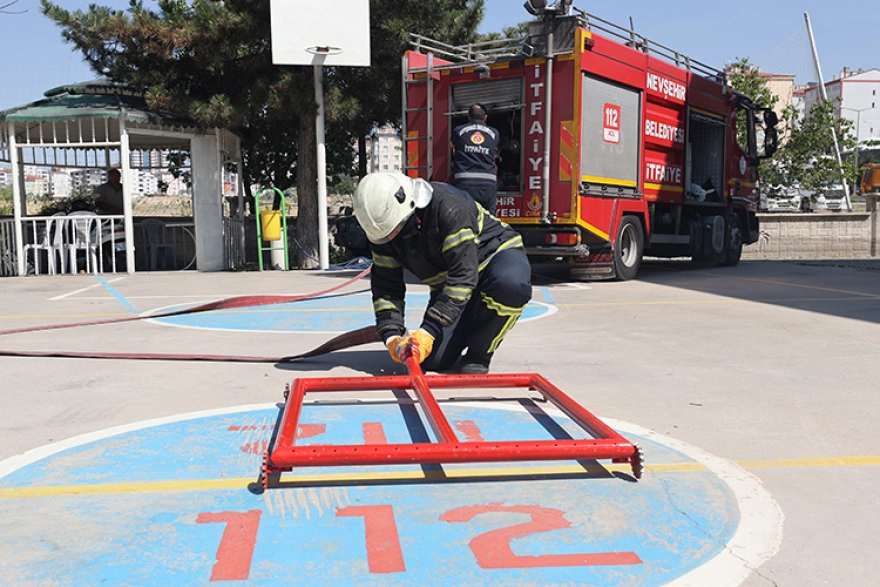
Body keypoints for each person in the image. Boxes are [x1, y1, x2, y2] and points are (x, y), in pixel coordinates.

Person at [353, 172, 532, 374]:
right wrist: (392, 335)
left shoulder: (450, 208)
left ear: (411, 208)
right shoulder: (382, 233)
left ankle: (480, 352)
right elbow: (386, 288)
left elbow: (463, 275)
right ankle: (465, 325)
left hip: (494, 258)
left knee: (510, 285)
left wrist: (429, 330)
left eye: (397, 229)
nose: (393, 238)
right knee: (433, 361)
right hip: (453, 283)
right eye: (387, 235)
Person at [451, 104, 500, 215]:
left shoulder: (459, 131)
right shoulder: (494, 133)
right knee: (490, 222)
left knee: (465, 219)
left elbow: (452, 144)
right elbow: (494, 149)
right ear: (485, 118)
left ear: (468, 117)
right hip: (488, 185)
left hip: (465, 184)